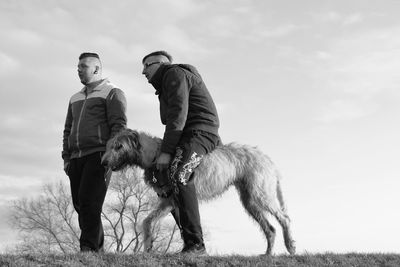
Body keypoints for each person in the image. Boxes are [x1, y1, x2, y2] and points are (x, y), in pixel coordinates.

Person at [141, 51, 221, 254]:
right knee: (168, 178)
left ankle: (196, 245)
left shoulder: (174, 74)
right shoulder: (165, 85)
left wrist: (167, 152)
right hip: (188, 134)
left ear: (161, 64)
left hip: (200, 132)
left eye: (147, 65)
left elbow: (178, 115)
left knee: (180, 174)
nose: (143, 71)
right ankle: (189, 241)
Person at [62, 52, 127, 252]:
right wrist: (66, 157)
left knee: (90, 203)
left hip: (99, 155)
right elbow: (67, 129)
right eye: (78, 66)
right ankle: (94, 251)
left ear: (97, 69)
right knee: (80, 204)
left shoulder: (112, 92)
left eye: (83, 66)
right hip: (75, 158)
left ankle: (89, 250)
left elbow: (119, 126)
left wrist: (111, 155)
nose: (79, 70)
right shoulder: (75, 98)